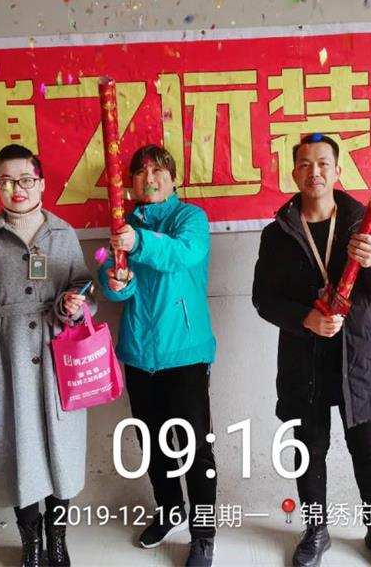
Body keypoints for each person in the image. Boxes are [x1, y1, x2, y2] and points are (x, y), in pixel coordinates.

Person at [252, 133, 371, 567]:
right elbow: (263, 299)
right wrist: (306, 318)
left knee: (368, 447)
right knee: (309, 447)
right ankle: (315, 530)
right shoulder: (278, 233)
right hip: (304, 358)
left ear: (337, 171)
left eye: (323, 163)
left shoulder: (363, 223)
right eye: (304, 164)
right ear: (293, 173)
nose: (314, 171)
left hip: (359, 355)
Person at [0, 144, 93, 567]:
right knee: (18, 449)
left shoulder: (63, 233)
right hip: (5, 355)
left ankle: (58, 540)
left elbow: (85, 290)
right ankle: (31, 541)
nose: (18, 188)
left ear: (42, 183)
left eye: (26, 179)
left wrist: (74, 304)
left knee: (62, 447)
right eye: (7, 181)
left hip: (58, 355)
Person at [98, 145, 217, 567]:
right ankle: (170, 510)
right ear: (129, 183)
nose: (149, 178)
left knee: (195, 448)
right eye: (140, 172)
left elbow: (182, 254)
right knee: (152, 445)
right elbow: (110, 275)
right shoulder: (123, 227)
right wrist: (114, 279)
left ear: (173, 178)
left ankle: (203, 534)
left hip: (184, 353)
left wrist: (140, 242)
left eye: (158, 171)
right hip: (138, 352)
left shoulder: (191, 219)